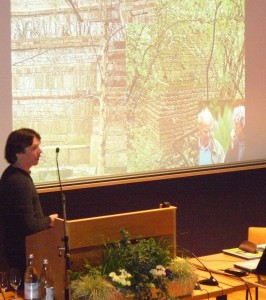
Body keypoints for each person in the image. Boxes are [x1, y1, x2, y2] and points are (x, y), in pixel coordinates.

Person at [0, 128, 58, 278]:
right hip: (20, 260)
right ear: (19, 153)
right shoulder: (19, 182)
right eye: (34, 148)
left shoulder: (14, 175)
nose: (40, 151)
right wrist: (50, 220)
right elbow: (29, 226)